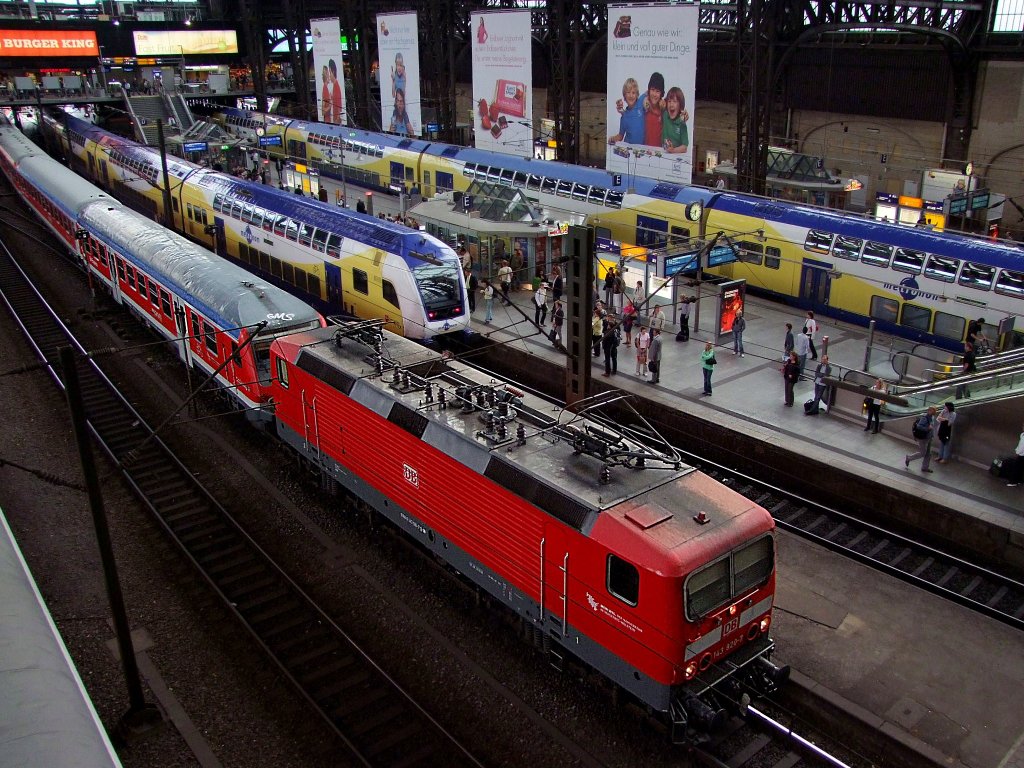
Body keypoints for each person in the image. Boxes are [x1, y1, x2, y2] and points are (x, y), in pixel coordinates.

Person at [608, 78, 644, 145]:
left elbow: (648, 92)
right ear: (624, 95)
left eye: (633, 93)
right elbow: (620, 136)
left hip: (643, 148)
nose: (631, 95)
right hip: (629, 149)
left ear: (637, 95)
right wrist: (613, 138)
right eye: (628, 92)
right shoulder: (624, 116)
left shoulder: (641, 103)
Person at [905, 406, 937, 474]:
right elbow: (919, 426)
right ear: (929, 411)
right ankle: (909, 458)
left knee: (928, 454)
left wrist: (931, 435)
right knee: (923, 453)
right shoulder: (924, 418)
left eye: (935, 411)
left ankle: (925, 467)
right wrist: (927, 428)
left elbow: (932, 427)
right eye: (933, 411)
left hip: (929, 437)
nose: (934, 412)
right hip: (923, 438)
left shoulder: (932, 417)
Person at [661, 86, 689, 154]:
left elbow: (684, 147)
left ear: (680, 106)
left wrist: (673, 150)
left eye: (675, 101)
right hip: (663, 152)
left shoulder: (682, 123)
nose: (671, 104)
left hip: (676, 155)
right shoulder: (665, 114)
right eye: (669, 101)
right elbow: (659, 101)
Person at [642, 72, 665, 147]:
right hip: (644, 149)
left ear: (661, 93)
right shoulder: (644, 104)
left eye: (657, 91)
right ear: (649, 90)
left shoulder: (664, 109)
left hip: (659, 150)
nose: (654, 94)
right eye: (652, 90)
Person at [1005, 422, 1024, 487]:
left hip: (1021, 455)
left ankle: (1013, 482)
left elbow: (1021, 447)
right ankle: (1019, 480)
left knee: (1016, 468)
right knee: (1020, 468)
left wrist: (1017, 452)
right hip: (1022, 454)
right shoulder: (1022, 435)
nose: (1022, 427)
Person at [329, 59, 343, 125]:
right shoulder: (335, 86)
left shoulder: (336, 87)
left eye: (330, 72)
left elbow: (339, 106)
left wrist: (337, 119)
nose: (329, 76)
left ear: (333, 72)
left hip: (336, 120)